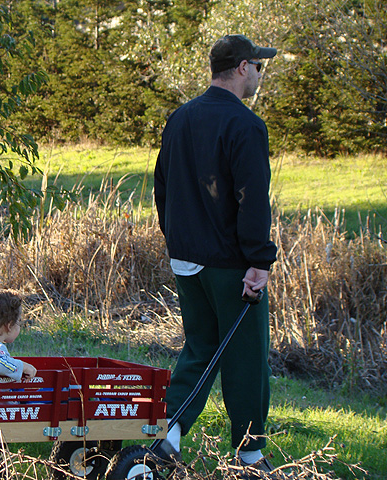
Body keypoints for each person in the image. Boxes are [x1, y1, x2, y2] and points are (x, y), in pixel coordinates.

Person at [153, 34, 278, 473]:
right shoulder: (246, 125)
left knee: (201, 347)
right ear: (242, 67)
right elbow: (252, 200)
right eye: (258, 66)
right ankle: (250, 454)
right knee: (246, 357)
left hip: (185, 258)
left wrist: (176, 240)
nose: (259, 74)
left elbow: (162, 187)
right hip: (230, 264)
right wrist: (259, 261)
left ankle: (167, 434)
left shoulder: (180, 118)